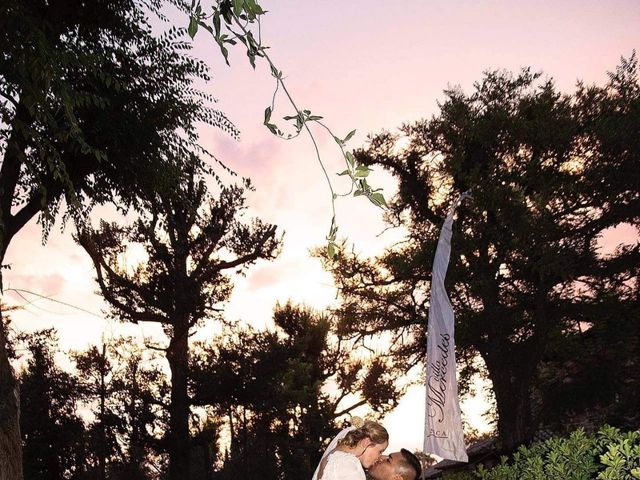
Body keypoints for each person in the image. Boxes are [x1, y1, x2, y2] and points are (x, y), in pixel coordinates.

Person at [313, 420, 389, 480]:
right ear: (367, 442)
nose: (379, 457)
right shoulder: (346, 463)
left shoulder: (335, 458)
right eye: (380, 451)